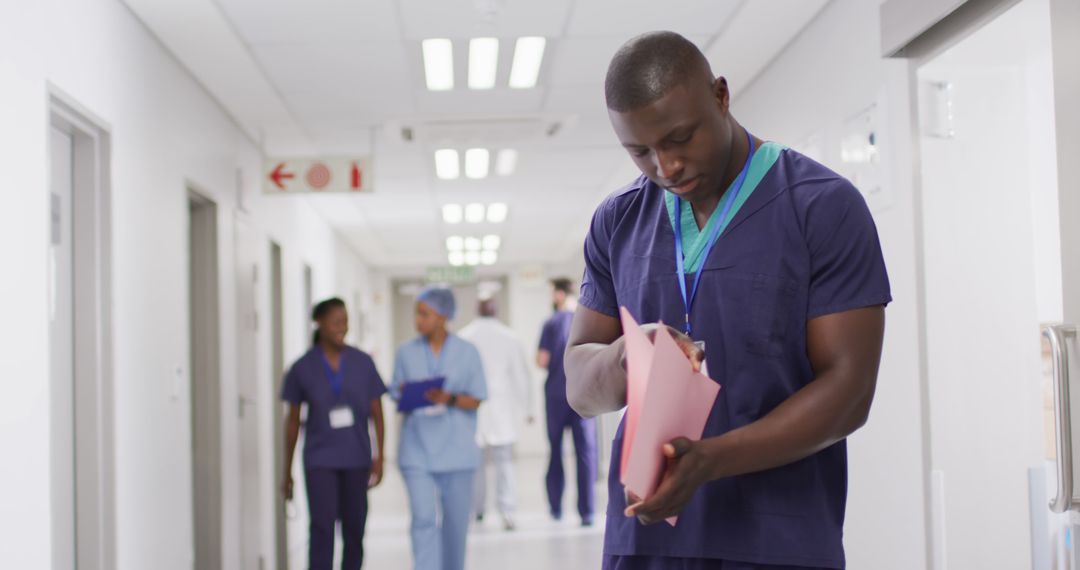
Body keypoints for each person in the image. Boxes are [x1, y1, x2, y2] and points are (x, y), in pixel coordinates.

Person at [564, 31, 891, 569]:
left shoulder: (821, 207)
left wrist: (711, 460)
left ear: (720, 96)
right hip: (645, 540)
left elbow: (849, 392)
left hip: (779, 541)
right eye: (640, 151)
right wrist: (624, 354)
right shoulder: (617, 221)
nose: (664, 167)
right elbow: (580, 388)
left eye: (680, 138)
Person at [281, 297, 387, 570]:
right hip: (320, 461)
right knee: (321, 529)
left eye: (346, 322)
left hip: (356, 458)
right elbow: (292, 422)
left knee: (354, 528)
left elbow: (377, 412)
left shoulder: (362, 362)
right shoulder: (302, 367)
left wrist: (380, 456)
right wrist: (287, 470)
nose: (343, 327)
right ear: (320, 324)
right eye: (336, 322)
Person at [391, 287, 487, 570]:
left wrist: (450, 398)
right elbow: (396, 391)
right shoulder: (405, 353)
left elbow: (477, 398)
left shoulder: (467, 352)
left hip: (457, 451)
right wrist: (408, 394)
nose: (418, 320)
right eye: (416, 314)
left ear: (444, 316)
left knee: (456, 525)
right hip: (416, 451)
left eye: (424, 314)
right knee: (422, 519)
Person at [458, 298, 535, 531]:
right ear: (495, 310)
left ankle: (477, 510)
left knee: (476, 463)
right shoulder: (509, 337)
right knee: (504, 463)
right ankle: (507, 511)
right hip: (501, 409)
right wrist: (528, 408)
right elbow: (521, 375)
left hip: (475, 408)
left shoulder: (464, 337)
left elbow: (459, 376)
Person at [538, 277, 597, 526]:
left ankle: (556, 509)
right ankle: (587, 512)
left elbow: (541, 360)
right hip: (585, 396)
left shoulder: (551, 322)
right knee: (585, 453)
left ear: (559, 295)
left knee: (555, 451)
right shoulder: (589, 320)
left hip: (556, 395)